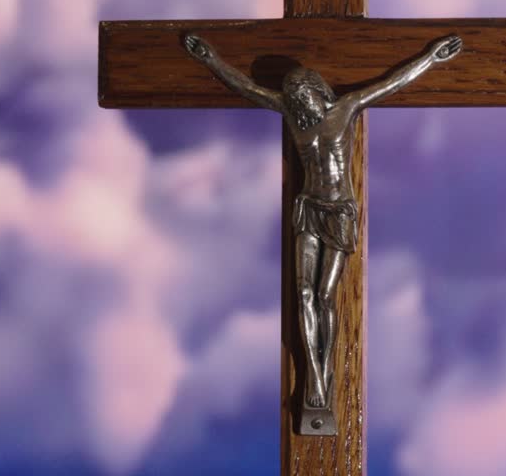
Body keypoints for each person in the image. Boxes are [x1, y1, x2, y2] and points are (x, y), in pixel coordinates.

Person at [183, 31, 462, 409]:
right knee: (303, 293)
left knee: (325, 296)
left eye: (303, 93)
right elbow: (247, 88)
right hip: (309, 208)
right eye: (294, 96)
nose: (299, 100)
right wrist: (211, 60)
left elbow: (389, 84)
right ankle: (314, 376)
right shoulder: (294, 118)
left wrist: (430, 59)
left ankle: (324, 375)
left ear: (317, 91)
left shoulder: (344, 110)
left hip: (338, 211)